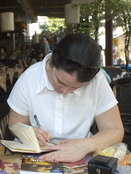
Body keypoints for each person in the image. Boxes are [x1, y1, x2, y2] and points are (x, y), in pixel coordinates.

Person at [7, 33, 124, 163]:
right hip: (36, 155)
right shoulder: (29, 78)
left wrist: (86, 145)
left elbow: (115, 130)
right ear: (52, 63)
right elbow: (14, 124)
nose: (65, 92)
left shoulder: (97, 81)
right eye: (61, 82)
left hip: (81, 155)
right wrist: (28, 133)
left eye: (75, 88)